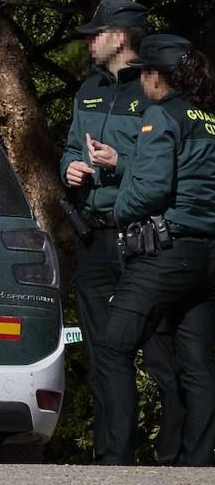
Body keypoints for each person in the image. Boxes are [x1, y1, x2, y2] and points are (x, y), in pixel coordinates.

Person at [62, 0, 183, 464]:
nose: (90, 42)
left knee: (160, 354)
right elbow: (72, 145)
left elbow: (172, 166)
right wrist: (69, 166)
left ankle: (177, 461)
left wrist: (121, 162)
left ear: (118, 37)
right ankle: (112, 461)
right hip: (93, 237)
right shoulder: (88, 89)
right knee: (101, 355)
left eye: (96, 33)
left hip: (143, 239)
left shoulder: (155, 88)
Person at [100, 35, 215, 466]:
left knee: (114, 347)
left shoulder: (161, 115)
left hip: (164, 256)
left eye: (142, 76)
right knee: (198, 365)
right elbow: (188, 173)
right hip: (206, 257)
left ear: (155, 76)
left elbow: (150, 190)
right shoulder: (208, 118)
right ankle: (199, 465)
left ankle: (113, 460)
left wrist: (115, 215)